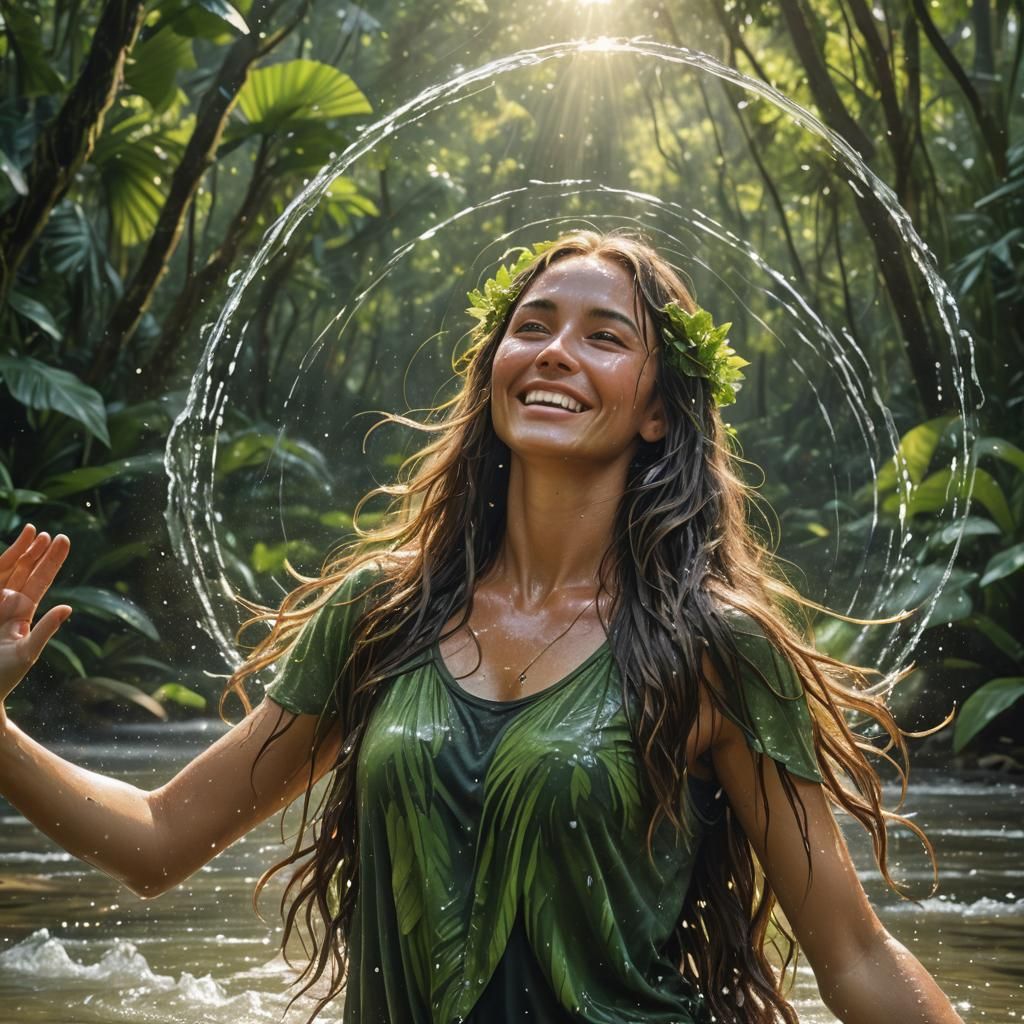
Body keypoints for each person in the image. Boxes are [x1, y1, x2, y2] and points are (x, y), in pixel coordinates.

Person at [0, 230, 963, 1024]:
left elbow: (855, 958)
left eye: (604, 337)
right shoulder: (383, 615)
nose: (554, 351)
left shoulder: (716, 649)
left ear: (660, 410)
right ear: (494, 369)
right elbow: (159, 839)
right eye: (531, 326)